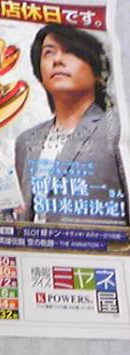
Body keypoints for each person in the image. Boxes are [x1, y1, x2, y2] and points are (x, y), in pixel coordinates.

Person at [15, 24, 126, 225]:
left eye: (70, 51)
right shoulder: (26, 140)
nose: (57, 60)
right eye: (49, 52)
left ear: (98, 72)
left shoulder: (117, 128)